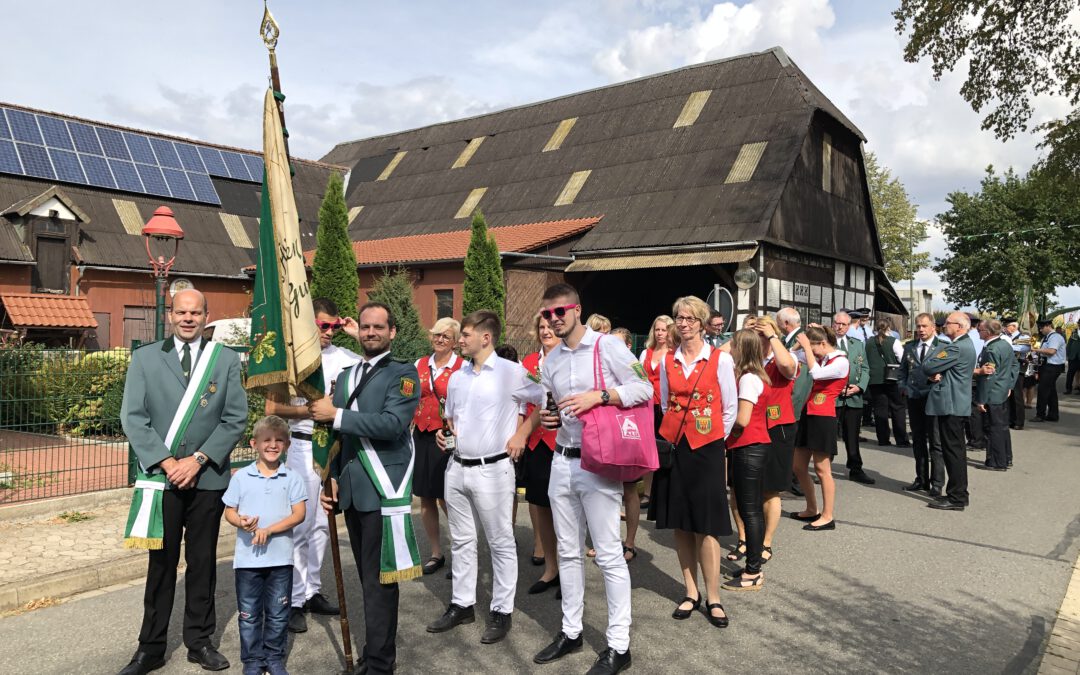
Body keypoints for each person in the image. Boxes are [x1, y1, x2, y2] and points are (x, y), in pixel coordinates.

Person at [118, 289, 247, 675]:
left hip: (207, 478)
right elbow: (133, 417)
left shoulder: (223, 359)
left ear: (206, 316)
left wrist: (198, 459)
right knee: (161, 563)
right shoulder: (144, 358)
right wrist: (168, 461)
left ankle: (200, 641)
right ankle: (151, 647)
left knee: (203, 562)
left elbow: (234, 418)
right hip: (163, 478)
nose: (188, 318)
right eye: (181, 312)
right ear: (170, 315)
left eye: (196, 312)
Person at [529, 283, 652, 675]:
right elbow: (550, 404)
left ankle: (619, 645)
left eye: (560, 312)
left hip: (599, 463)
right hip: (561, 460)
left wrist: (600, 396)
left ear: (576, 310)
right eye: (547, 315)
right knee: (566, 551)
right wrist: (548, 417)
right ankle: (571, 630)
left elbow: (644, 388)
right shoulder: (550, 360)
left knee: (608, 554)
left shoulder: (606, 346)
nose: (553, 319)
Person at [312, 302, 422, 675]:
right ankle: (372, 652)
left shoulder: (403, 374)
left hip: (382, 489)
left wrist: (337, 414)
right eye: (365, 326)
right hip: (353, 491)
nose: (371, 332)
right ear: (357, 330)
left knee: (379, 583)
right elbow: (339, 439)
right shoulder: (345, 375)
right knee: (366, 580)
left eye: (379, 327)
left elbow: (393, 424)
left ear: (392, 332)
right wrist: (333, 480)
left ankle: (379, 663)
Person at [426, 311, 543, 644]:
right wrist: (444, 435)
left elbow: (544, 400)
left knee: (500, 542)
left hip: (494, 468)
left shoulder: (511, 372)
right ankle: (462, 604)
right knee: (461, 540)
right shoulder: (459, 375)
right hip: (457, 466)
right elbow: (452, 419)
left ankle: (501, 610)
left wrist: (522, 432)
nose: (460, 339)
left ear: (486, 337)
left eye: (465, 334)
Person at [264, 298, 357, 633]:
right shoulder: (293, 361)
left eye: (334, 326)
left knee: (322, 524)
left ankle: (311, 590)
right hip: (303, 447)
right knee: (300, 525)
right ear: (309, 324)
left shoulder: (348, 358)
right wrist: (310, 411)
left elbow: (376, 368)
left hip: (333, 448)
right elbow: (270, 407)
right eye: (323, 325)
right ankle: (291, 599)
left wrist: (357, 333)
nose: (330, 332)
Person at [653, 296, 737, 627]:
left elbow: (729, 408)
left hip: (708, 448)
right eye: (679, 318)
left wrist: (713, 439)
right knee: (681, 521)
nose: (683, 323)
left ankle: (713, 596)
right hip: (676, 447)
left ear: (702, 323)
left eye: (689, 318)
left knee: (707, 524)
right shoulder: (666, 361)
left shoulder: (719, 360)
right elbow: (663, 403)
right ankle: (691, 592)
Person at [222, 416, 307, 675]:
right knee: (248, 615)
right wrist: (242, 521)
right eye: (266, 440)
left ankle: (274, 658)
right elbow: (229, 512)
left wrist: (269, 530)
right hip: (248, 562)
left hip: (280, 560)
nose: (272, 445)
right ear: (254, 444)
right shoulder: (241, 478)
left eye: (279, 440)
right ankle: (252, 660)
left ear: (288, 445)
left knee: (279, 613)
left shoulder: (292, 478)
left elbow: (299, 514)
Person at [410, 317, 464, 577]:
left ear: (455, 341)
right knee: (425, 497)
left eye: (446, 336)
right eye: (436, 335)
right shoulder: (419, 364)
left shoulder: (462, 367)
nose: (440, 339)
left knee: (448, 497)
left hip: (447, 437)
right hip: (421, 435)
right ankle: (436, 552)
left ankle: (460, 550)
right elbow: (408, 397)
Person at [721, 329, 773, 592]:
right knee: (751, 509)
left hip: (748, 446)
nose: (730, 349)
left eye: (734, 345)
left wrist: (725, 435)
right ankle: (753, 564)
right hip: (755, 445)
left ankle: (753, 572)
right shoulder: (755, 375)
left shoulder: (748, 379)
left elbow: (742, 419)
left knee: (749, 510)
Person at [790, 325, 847, 531]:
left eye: (813, 348)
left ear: (823, 344)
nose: (810, 352)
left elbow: (816, 374)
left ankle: (827, 515)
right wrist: (802, 341)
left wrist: (807, 347)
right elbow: (791, 356)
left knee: (823, 470)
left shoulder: (840, 361)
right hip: (809, 413)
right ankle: (811, 508)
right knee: (798, 466)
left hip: (824, 417)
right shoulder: (819, 357)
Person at [521, 314, 562, 595]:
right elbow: (522, 402)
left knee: (565, 511)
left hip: (563, 443)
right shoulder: (528, 363)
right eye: (541, 327)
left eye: (550, 327)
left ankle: (570, 574)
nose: (545, 331)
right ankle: (551, 569)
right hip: (536, 444)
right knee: (541, 507)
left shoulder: (569, 359)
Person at [922, 311, 977, 511]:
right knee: (956, 450)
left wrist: (936, 359)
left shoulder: (956, 347)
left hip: (951, 404)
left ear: (960, 327)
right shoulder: (965, 344)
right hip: (956, 403)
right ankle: (958, 493)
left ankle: (957, 497)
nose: (944, 326)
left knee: (953, 452)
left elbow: (928, 366)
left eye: (948, 323)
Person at [755, 315, 797, 565]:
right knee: (742, 489)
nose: (760, 339)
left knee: (770, 489)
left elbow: (788, 368)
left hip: (777, 427)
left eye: (764, 334)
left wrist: (772, 335)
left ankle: (766, 542)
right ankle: (744, 539)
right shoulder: (747, 359)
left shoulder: (784, 356)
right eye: (757, 335)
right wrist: (744, 333)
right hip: (750, 426)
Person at [897, 313, 946, 496]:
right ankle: (922, 479)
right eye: (918, 326)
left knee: (935, 441)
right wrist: (904, 387)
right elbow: (902, 371)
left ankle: (937, 482)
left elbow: (949, 371)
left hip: (933, 398)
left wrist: (941, 379)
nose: (921, 330)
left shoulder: (942, 347)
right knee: (918, 440)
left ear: (933, 327)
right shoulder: (910, 347)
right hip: (915, 397)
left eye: (924, 326)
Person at [832, 311, 875, 485]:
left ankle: (855, 468)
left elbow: (865, 368)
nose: (840, 327)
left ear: (849, 326)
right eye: (837, 323)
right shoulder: (826, 342)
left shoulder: (856, 344)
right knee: (829, 435)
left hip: (853, 397)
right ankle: (825, 467)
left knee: (852, 435)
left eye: (844, 324)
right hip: (832, 397)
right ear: (833, 324)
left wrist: (859, 386)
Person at [611, 327, 642, 562]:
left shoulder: (634, 365)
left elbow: (646, 391)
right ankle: (608, 542)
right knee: (607, 491)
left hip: (628, 431)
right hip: (607, 434)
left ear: (629, 346)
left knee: (630, 491)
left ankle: (629, 543)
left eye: (618, 345)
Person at [638, 315, 674, 511]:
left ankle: (665, 493)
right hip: (647, 406)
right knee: (648, 449)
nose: (660, 333)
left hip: (665, 406)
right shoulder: (646, 353)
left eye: (664, 330)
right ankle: (648, 492)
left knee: (665, 450)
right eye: (657, 329)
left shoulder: (674, 353)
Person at [974, 320, 1019, 471]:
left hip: (992, 393)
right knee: (1002, 426)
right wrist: (1009, 385)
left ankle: (997, 461)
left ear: (987, 332)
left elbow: (988, 376)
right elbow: (1014, 365)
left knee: (993, 428)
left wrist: (981, 399)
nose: (978, 332)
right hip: (1001, 391)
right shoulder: (1005, 344)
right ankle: (1006, 457)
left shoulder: (992, 349)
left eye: (979, 330)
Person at [777, 307, 812, 498]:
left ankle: (794, 479)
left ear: (785, 324)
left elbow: (802, 379)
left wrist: (792, 402)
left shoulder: (802, 340)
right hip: (788, 400)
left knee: (793, 442)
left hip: (794, 401)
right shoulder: (788, 341)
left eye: (779, 322)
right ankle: (789, 477)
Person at [865, 319, 909, 448]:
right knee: (898, 408)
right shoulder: (893, 341)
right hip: (892, 378)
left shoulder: (868, 342)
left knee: (880, 409)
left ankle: (883, 439)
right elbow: (902, 359)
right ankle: (901, 440)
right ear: (888, 328)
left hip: (874, 379)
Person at [1032, 319, 1066, 422]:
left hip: (1052, 366)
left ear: (1048, 326)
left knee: (1043, 390)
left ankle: (1040, 415)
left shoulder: (1055, 337)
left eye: (1042, 328)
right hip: (1047, 365)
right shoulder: (1047, 337)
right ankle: (1053, 414)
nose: (1040, 330)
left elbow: (1051, 351)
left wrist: (1035, 350)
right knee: (1051, 391)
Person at [1002, 318, 1030, 429]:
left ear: (1014, 327)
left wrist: (1007, 347)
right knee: (1008, 395)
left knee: (1017, 395)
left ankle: (1019, 421)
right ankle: (1009, 419)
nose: (1005, 328)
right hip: (1006, 366)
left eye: (1007, 326)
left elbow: (1024, 349)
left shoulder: (1024, 337)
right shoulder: (1005, 337)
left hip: (1018, 366)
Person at [1065, 326, 1080, 395]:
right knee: (1070, 374)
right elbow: (1069, 343)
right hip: (1073, 356)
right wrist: (1067, 354)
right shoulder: (1074, 332)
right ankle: (1068, 389)